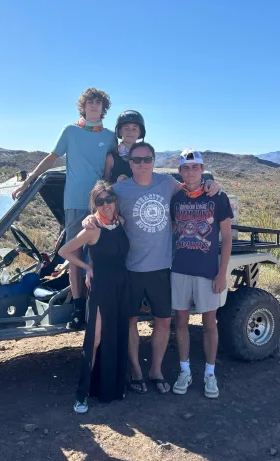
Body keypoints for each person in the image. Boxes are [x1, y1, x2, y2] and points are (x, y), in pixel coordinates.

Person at [83, 142, 220, 394]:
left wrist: (212, 184)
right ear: (130, 163)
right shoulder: (120, 189)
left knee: (163, 321)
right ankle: (136, 370)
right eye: (137, 160)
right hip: (130, 268)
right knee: (130, 321)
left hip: (163, 267)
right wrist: (90, 217)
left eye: (147, 159)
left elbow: (193, 189)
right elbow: (101, 206)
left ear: (154, 161)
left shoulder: (167, 183)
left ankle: (155, 370)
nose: (142, 164)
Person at [12, 87, 117, 331]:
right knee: (75, 256)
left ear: (103, 108)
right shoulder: (71, 131)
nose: (94, 106)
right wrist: (28, 182)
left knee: (102, 256)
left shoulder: (111, 137)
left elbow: (117, 165)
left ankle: (101, 307)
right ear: (83, 107)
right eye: (90, 102)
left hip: (101, 203)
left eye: (98, 103)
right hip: (75, 202)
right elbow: (51, 158)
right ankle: (78, 307)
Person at [58, 181, 130, 413]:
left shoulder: (121, 222)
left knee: (117, 333)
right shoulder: (91, 229)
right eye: (100, 201)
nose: (106, 204)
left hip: (122, 283)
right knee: (96, 338)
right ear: (94, 205)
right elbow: (64, 251)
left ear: (115, 200)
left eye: (109, 199)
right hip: (101, 286)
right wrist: (86, 267)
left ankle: (112, 387)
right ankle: (82, 394)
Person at [170, 149, 233, 398]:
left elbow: (226, 238)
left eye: (195, 167)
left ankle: (210, 373)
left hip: (207, 272)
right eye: (185, 168)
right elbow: (173, 231)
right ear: (180, 172)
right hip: (180, 269)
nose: (191, 172)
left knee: (209, 324)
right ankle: (184, 370)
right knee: (181, 323)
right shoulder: (176, 198)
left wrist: (221, 273)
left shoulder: (218, 197)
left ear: (202, 169)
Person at [104, 110, 145, 183]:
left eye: (134, 129)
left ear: (140, 132)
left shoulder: (145, 156)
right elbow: (105, 185)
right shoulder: (111, 158)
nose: (130, 132)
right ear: (119, 131)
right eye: (126, 128)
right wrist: (117, 183)